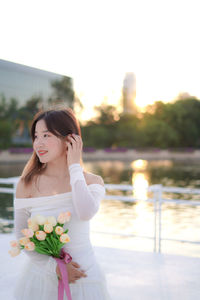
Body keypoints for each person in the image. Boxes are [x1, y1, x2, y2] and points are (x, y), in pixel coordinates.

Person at [14, 107, 111, 299]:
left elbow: (85, 212)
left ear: (70, 139)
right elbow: (21, 236)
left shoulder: (93, 182)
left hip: (85, 277)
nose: (38, 143)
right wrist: (55, 268)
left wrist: (74, 166)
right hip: (42, 279)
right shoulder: (27, 184)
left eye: (46, 135)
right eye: (36, 136)